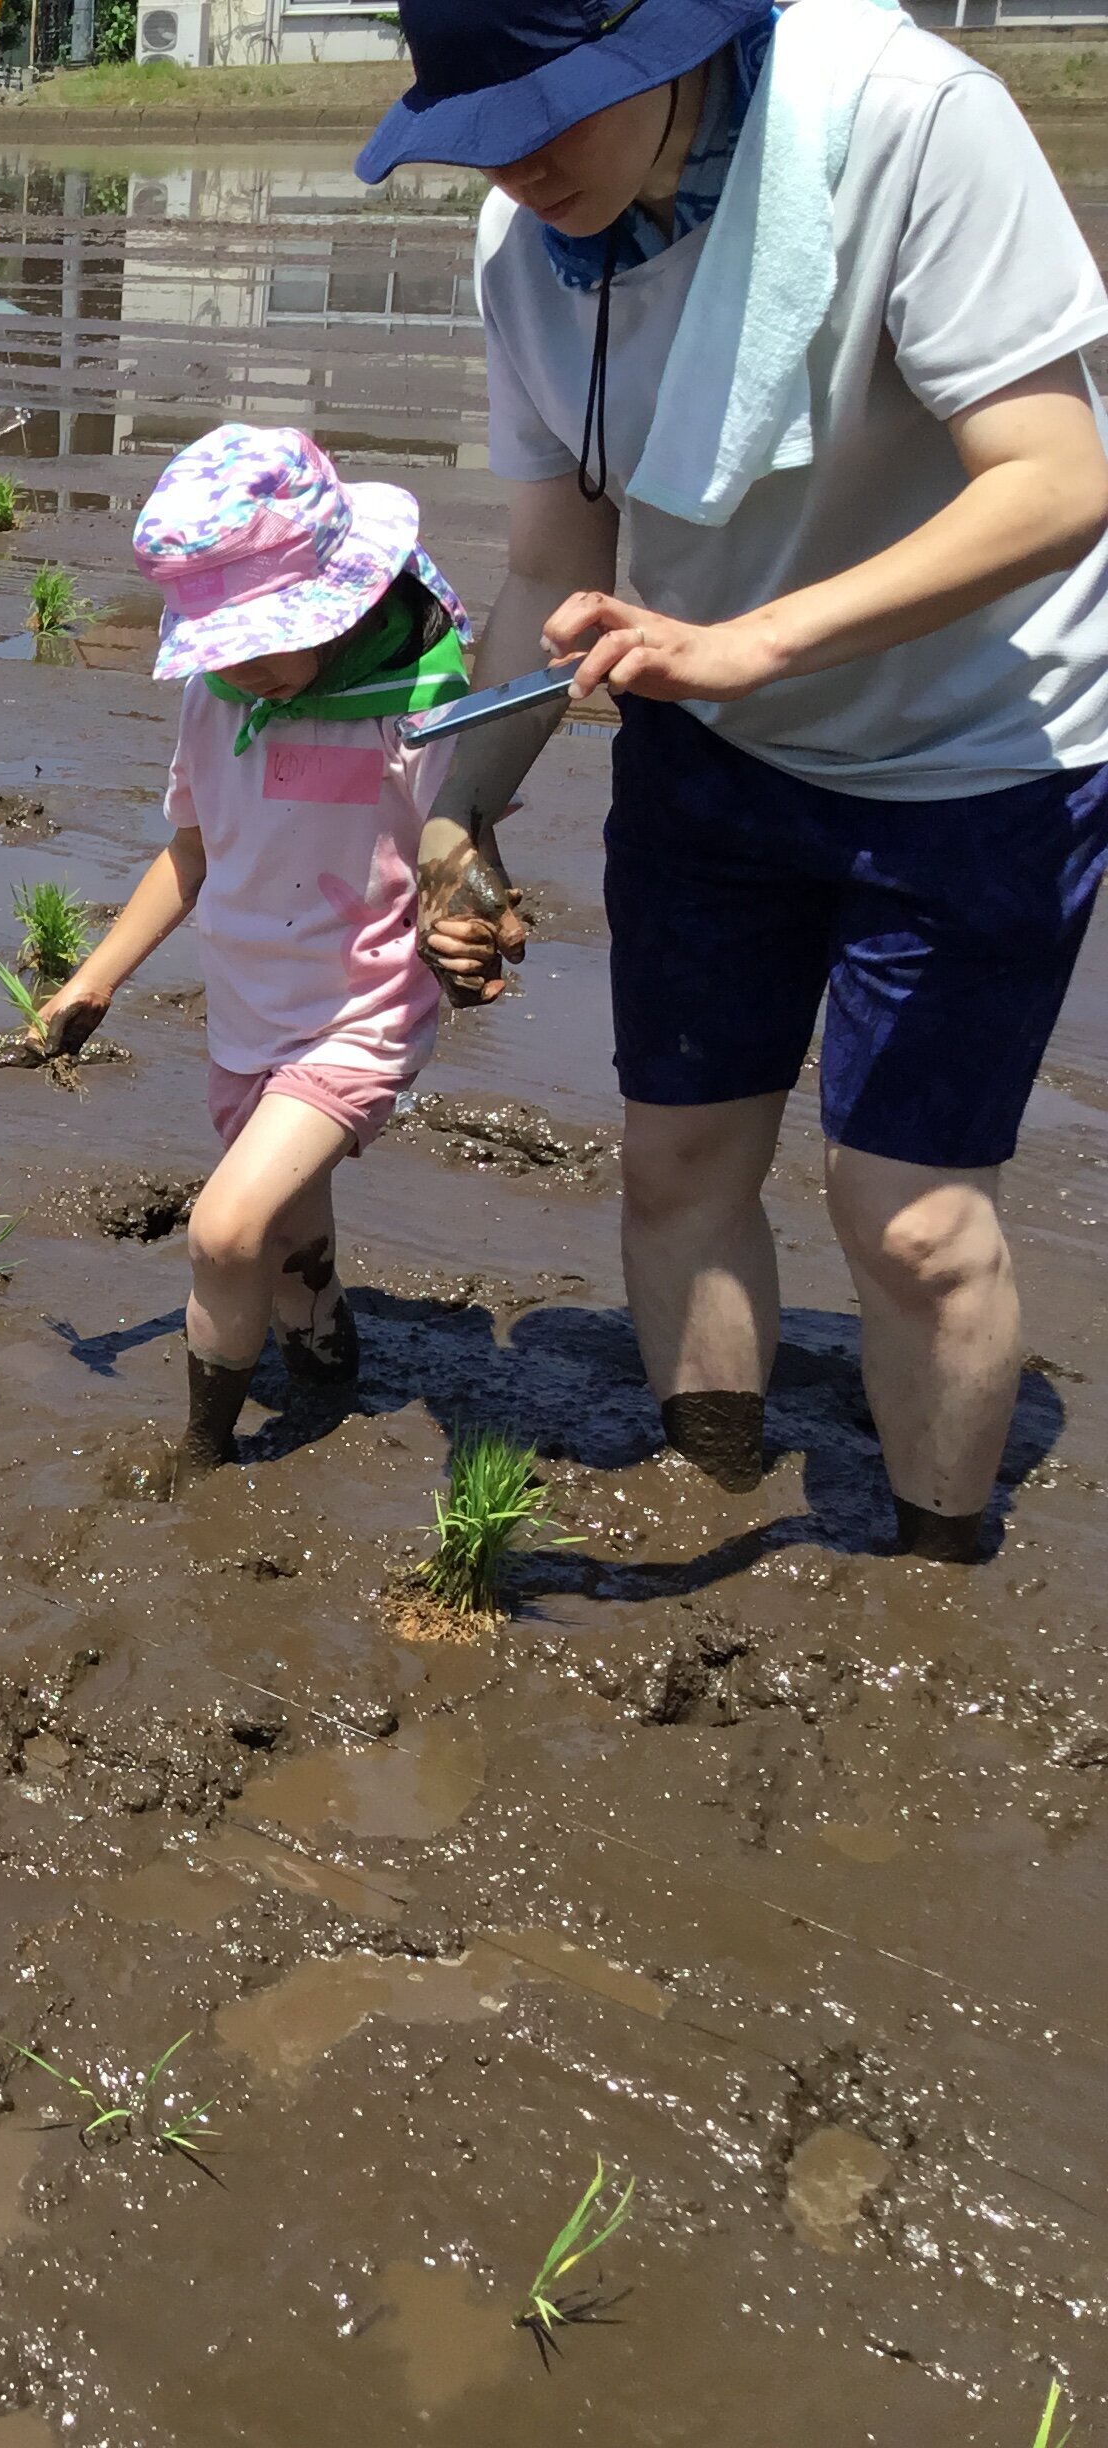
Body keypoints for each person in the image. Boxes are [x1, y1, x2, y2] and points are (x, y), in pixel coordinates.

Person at [364, 0, 1108, 1561]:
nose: (515, 166)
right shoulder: (530, 262)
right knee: (678, 1163)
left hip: (982, 751)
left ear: (671, 42)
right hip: (714, 748)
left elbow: (1060, 480)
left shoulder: (910, 123)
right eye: (477, 130)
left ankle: (934, 1569)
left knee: (907, 1217)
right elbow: (558, 563)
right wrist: (452, 809)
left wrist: (756, 643)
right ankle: (708, 1479)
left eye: (550, 109)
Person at [32, 427, 469, 1471]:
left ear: (343, 598)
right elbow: (193, 852)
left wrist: (474, 926)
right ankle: (324, 1357)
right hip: (248, 1012)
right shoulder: (218, 698)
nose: (248, 665)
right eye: (226, 644)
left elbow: (460, 850)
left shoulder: (419, 711)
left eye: (269, 639)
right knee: (283, 1248)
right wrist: (92, 982)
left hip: (358, 1015)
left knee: (226, 1230)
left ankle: (200, 1452)